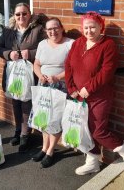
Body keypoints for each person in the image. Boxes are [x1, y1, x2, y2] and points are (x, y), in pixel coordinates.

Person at [65, 11, 124, 175]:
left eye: (93, 27)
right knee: (85, 129)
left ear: (100, 27)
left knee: (98, 130)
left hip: (100, 96)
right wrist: (71, 88)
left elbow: (107, 71)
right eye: (86, 28)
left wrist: (88, 88)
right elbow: (68, 65)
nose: (89, 31)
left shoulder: (108, 45)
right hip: (79, 96)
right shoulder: (78, 43)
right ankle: (92, 161)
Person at [0, 3, 46, 153]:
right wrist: (8, 54)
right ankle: (18, 130)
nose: (21, 17)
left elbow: (46, 47)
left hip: (29, 75)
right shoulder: (9, 31)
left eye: (24, 13)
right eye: (18, 14)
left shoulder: (38, 30)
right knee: (15, 102)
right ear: (14, 16)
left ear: (30, 14)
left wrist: (30, 54)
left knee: (26, 104)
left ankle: (25, 134)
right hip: (13, 74)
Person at [32, 17, 74, 168]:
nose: (53, 32)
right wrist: (40, 76)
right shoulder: (42, 44)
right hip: (43, 85)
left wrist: (58, 77)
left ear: (61, 28)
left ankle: (50, 151)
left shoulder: (70, 44)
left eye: (55, 28)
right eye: (49, 29)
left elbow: (73, 68)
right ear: (45, 31)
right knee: (44, 119)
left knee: (55, 120)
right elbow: (36, 64)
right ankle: (43, 148)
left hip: (60, 86)